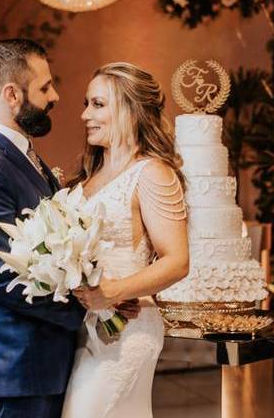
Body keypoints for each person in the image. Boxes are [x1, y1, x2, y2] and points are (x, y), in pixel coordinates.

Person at [0, 39, 139, 418]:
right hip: (13, 366)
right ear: (12, 94)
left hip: (38, 365)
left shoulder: (17, 155)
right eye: (45, 87)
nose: (56, 96)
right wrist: (89, 306)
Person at [62, 62, 190, 418]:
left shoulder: (152, 173)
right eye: (87, 103)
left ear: (131, 109)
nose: (85, 114)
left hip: (126, 332)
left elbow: (177, 260)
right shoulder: (84, 179)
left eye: (98, 104)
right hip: (83, 332)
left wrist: (114, 292)